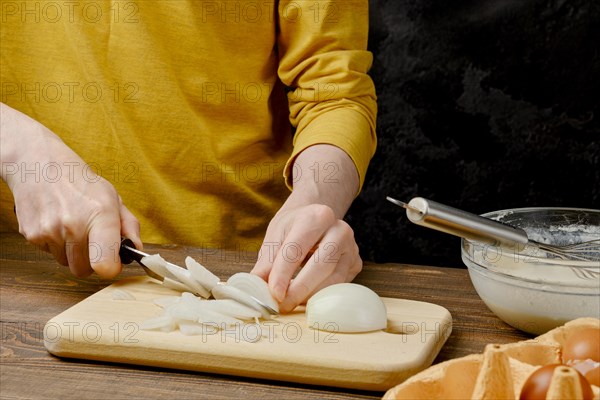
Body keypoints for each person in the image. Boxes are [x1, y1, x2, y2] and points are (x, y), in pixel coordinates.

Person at [0, 0, 377, 312]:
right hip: (21, 272)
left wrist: (315, 198)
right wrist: (20, 147)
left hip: (245, 270)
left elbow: (334, 93)